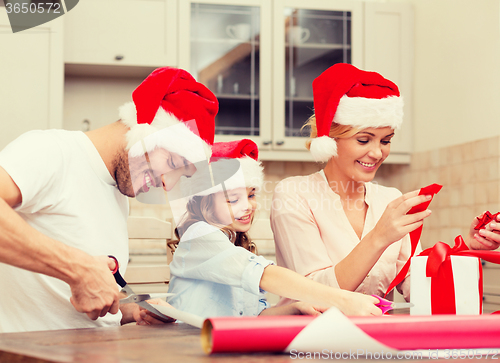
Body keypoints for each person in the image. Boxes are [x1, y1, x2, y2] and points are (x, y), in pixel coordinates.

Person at [0, 67, 218, 333]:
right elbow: (80, 274)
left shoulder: (117, 194)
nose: (168, 183)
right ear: (144, 131)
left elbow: (69, 305)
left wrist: (132, 310)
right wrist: (77, 268)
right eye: (172, 162)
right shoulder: (51, 151)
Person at [270, 63, 500, 305]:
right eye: (363, 140)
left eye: (386, 140)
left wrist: (467, 249)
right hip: (311, 340)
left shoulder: (389, 199)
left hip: (376, 339)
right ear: (330, 137)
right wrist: (380, 237)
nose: (378, 153)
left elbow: (418, 288)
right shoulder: (294, 194)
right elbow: (316, 295)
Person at [167, 139, 382, 319]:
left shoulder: (234, 247)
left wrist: (294, 310)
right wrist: (343, 299)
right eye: (233, 199)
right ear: (204, 203)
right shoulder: (198, 237)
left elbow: (255, 317)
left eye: (251, 195)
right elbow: (266, 276)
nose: (248, 206)